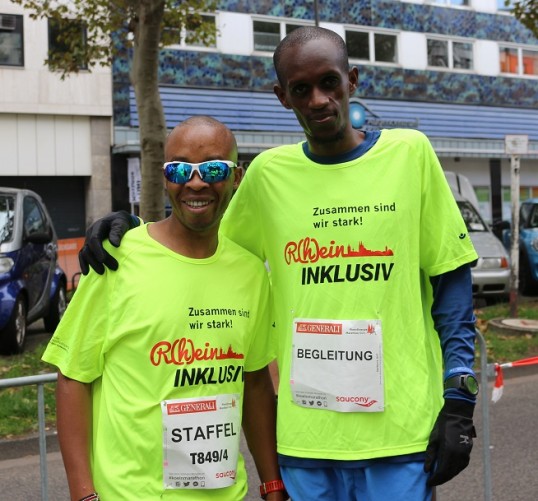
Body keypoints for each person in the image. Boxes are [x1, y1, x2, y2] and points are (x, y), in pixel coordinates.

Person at [78, 27, 479, 501]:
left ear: (352, 80)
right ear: (281, 97)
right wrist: (132, 229)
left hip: (399, 436)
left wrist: (460, 400)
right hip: (305, 444)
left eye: (330, 82)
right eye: (301, 89)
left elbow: (452, 284)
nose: (319, 100)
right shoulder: (268, 175)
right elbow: (201, 243)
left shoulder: (409, 155)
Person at [42, 116, 288, 501]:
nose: (196, 182)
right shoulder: (116, 259)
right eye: (179, 169)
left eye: (213, 169)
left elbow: (255, 382)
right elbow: (73, 376)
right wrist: (82, 493)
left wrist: (272, 484)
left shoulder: (250, 272)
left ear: (237, 177)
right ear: (164, 176)